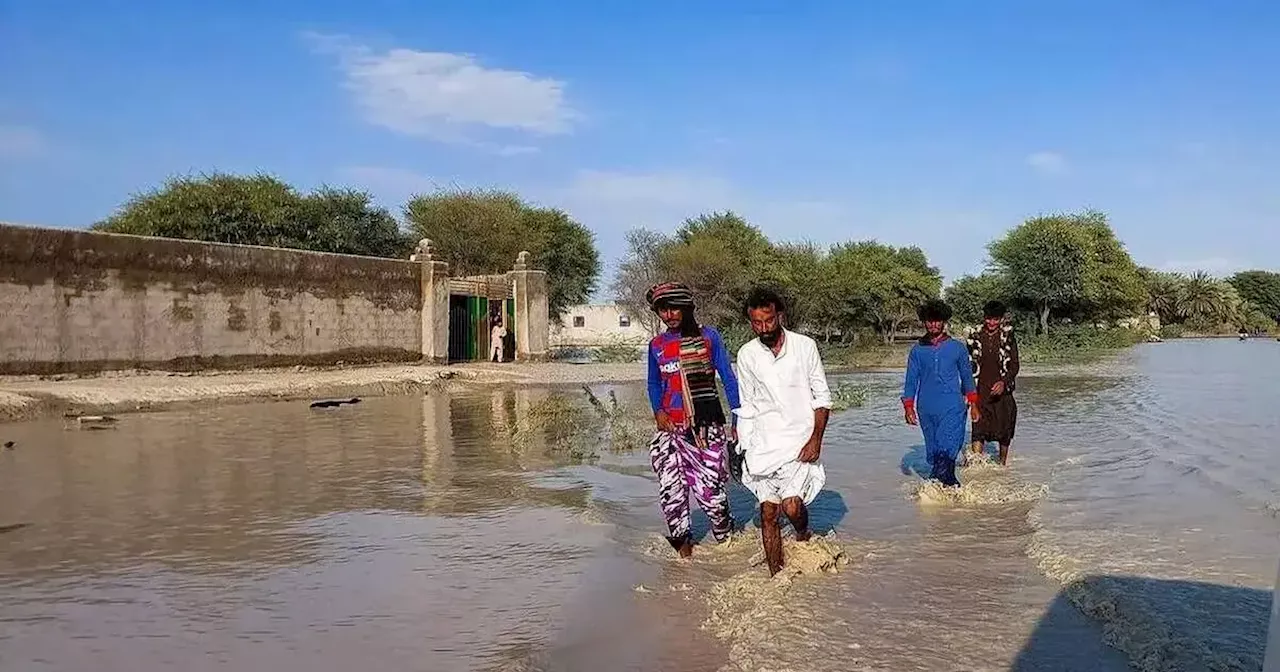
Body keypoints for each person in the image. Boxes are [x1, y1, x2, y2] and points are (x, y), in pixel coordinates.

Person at [734, 288, 832, 577]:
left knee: (791, 507)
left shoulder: (805, 347)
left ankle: (803, 533)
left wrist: (816, 439)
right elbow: (747, 404)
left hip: (799, 441)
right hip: (764, 444)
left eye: (769, 321)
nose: (763, 328)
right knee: (768, 512)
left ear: (780, 316)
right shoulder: (747, 355)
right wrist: (742, 445)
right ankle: (777, 578)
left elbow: (822, 397)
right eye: (756, 323)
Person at [645, 282, 740, 558]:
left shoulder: (709, 338)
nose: (669, 314)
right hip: (670, 431)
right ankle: (683, 561)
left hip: (705, 430)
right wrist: (658, 412)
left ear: (687, 308)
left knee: (712, 496)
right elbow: (653, 383)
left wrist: (738, 418)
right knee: (672, 497)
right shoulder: (657, 345)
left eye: (674, 308)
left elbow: (728, 378)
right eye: (663, 309)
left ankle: (727, 549)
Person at [902, 298, 979, 488]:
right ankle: (947, 495)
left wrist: (974, 404)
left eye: (937, 320)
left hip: (952, 407)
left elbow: (967, 377)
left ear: (944, 322)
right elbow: (911, 380)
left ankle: (943, 492)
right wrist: (908, 407)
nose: (933, 324)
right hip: (926, 408)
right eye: (929, 320)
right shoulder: (917, 351)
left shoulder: (957, 348)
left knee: (948, 449)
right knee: (936, 452)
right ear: (924, 322)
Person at [966, 300, 1020, 465]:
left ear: (1001, 319)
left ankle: (1002, 465)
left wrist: (1004, 382)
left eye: (995, 319)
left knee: (1004, 432)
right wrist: (967, 392)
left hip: (1002, 394)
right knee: (978, 430)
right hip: (980, 392)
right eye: (988, 319)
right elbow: (967, 366)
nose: (991, 323)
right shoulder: (974, 337)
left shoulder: (1008, 337)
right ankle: (976, 470)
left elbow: (1015, 365)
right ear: (984, 318)